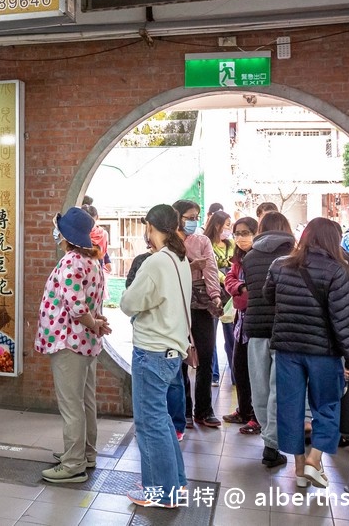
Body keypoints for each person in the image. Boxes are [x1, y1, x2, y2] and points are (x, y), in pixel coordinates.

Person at [264, 217, 349, 489]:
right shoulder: (336, 271)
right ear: (334, 240)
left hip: (287, 349)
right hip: (323, 353)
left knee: (290, 408)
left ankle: (298, 468)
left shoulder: (279, 266)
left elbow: (270, 298)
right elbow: (342, 321)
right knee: (327, 405)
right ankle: (313, 460)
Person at [120, 204, 191, 508]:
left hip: (152, 352)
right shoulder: (180, 257)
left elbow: (127, 302)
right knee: (160, 420)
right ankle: (175, 482)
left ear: (150, 226)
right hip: (172, 350)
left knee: (150, 423)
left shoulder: (155, 262)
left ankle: (162, 492)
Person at [35, 207, 110, 484]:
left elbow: (76, 307)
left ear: (67, 235)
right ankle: (85, 453)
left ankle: (73, 464)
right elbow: (92, 303)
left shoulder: (71, 262)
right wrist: (97, 325)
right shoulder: (94, 262)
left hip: (68, 341)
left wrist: (92, 322)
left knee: (71, 405)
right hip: (87, 343)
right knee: (85, 401)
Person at [241, 211, 295, 468]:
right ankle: (273, 445)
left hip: (255, 328)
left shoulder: (249, 257)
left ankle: (268, 442)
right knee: (278, 390)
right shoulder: (294, 256)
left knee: (260, 388)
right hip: (285, 330)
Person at [173, 199, 223, 429]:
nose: (193, 222)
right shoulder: (169, 241)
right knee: (180, 358)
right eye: (189, 218)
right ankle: (184, 411)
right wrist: (191, 266)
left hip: (201, 304)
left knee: (204, 355)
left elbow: (211, 269)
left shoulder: (202, 240)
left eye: (196, 218)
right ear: (177, 217)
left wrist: (215, 296)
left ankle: (204, 410)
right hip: (176, 303)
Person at [222, 217, 259, 434]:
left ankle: (257, 417)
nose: (240, 238)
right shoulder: (239, 258)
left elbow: (253, 290)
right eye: (237, 233)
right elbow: (229, 281)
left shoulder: (259, 258)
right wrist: (240, 286)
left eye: (245, 233)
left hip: (256, 320)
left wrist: (242, 288)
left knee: (256, 373)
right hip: (241, 321)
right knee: (240, 369)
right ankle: (244, 411)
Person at [203, 211, 234, 387]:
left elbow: (235, 266)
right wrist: (226, 278)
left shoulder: (231, 245)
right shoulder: (205, 243)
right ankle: (213, 374)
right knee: (210, 336)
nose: (229, 228)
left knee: (232, 335)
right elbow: (210, 269)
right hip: (211, 295)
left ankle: (236, 373)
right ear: (217, 225)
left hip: (230, 296)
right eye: (227, 224)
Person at [82, 204, 113, 275]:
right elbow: (103, 253)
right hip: (98, 270)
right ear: (97, 217)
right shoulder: (103, 234)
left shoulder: (78, 234)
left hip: (81, 269)